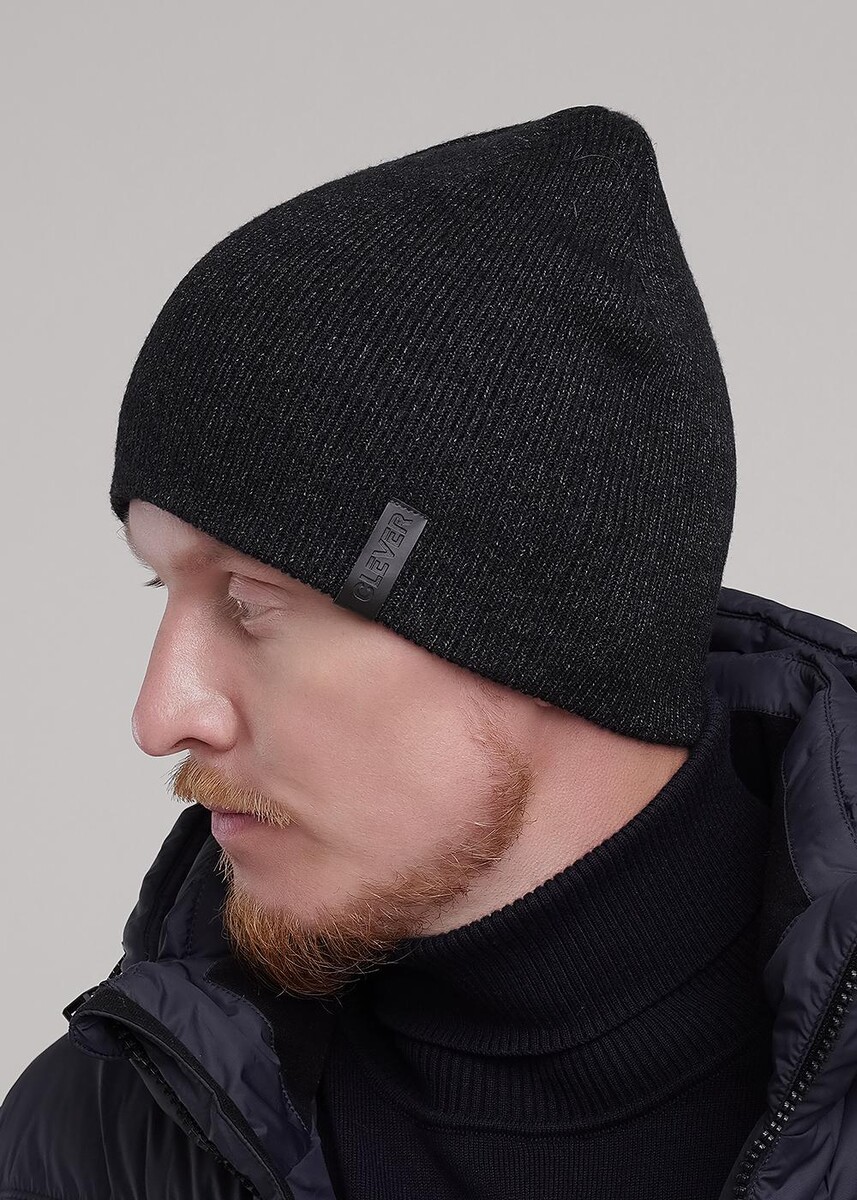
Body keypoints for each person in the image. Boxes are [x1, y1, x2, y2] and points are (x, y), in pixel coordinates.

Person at [2, 103, 856, 1200]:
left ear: (544, 617)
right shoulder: (106, 1138)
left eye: (250, 603)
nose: (161, 715)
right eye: (161, 590)